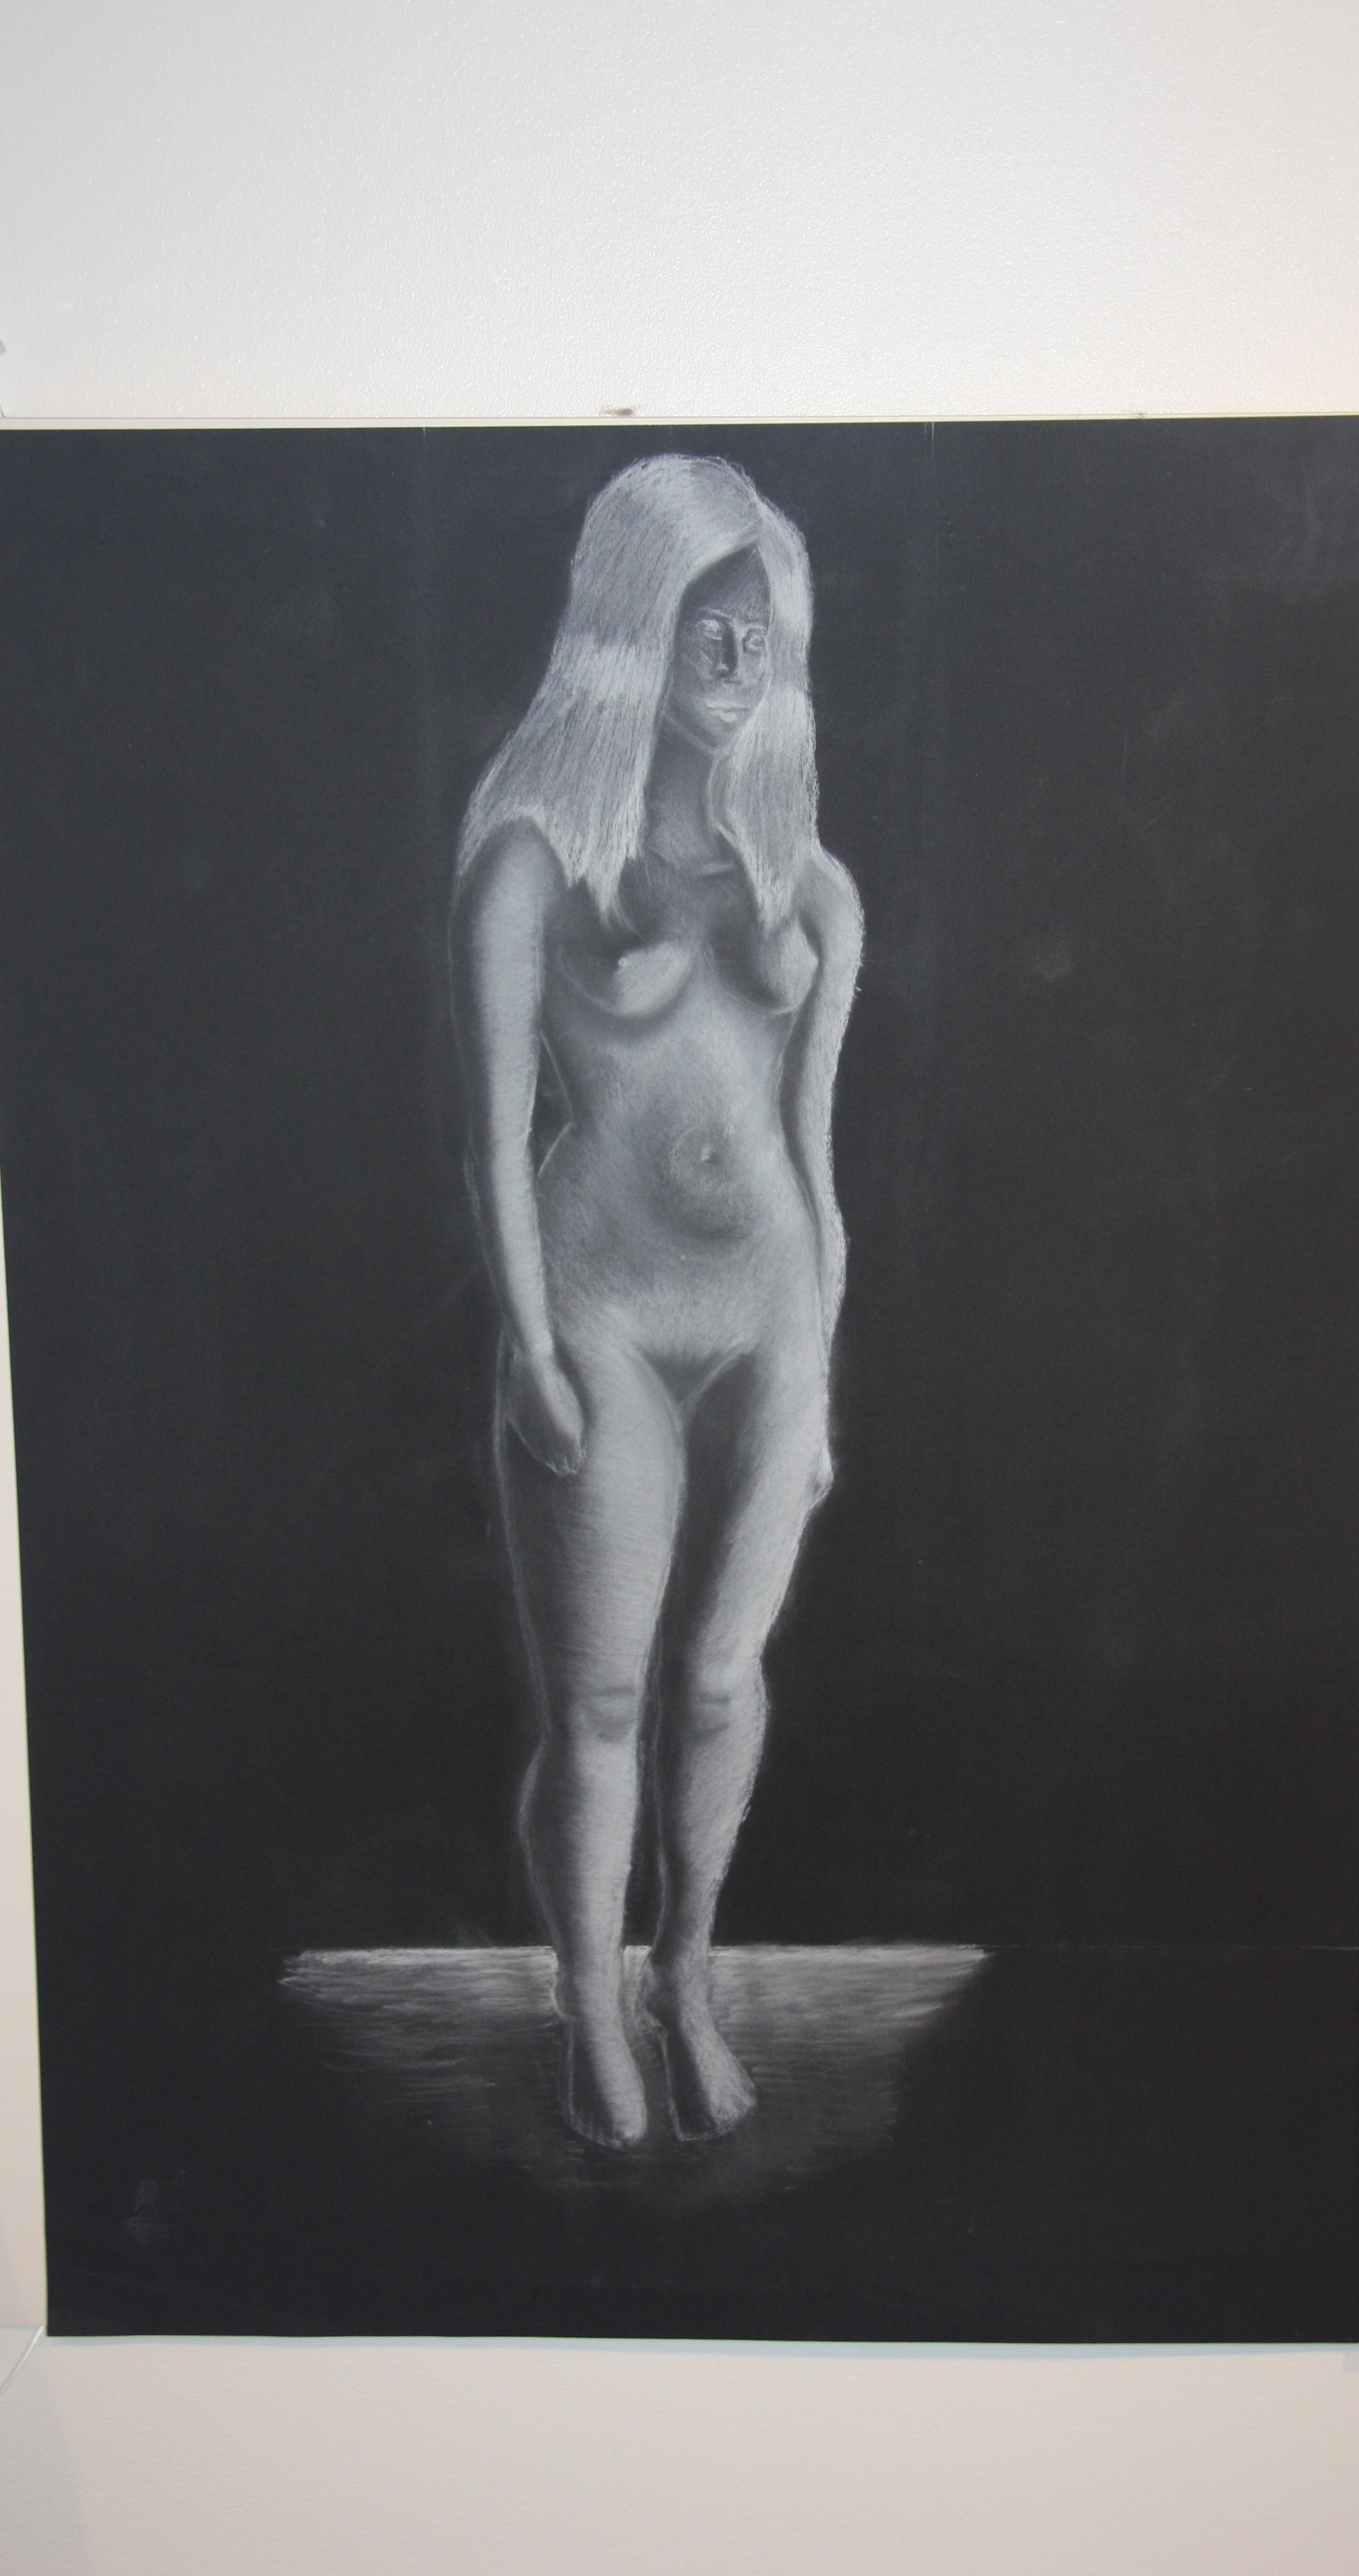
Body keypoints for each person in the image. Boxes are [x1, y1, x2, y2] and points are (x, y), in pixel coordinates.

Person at [451, 453, 862, 2147]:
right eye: (709, 622)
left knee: (718, 1683)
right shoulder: (531, 865)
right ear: (634, 624)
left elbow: (814, 1156)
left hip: (772, 1318)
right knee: (603, 1701)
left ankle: (686, 1973)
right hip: (605, 1316)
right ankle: (587, 2001)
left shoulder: (811, 888)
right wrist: (533, 1343)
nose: (741, 658)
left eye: (764, 628)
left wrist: (823, 1374)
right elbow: (493, 1137)